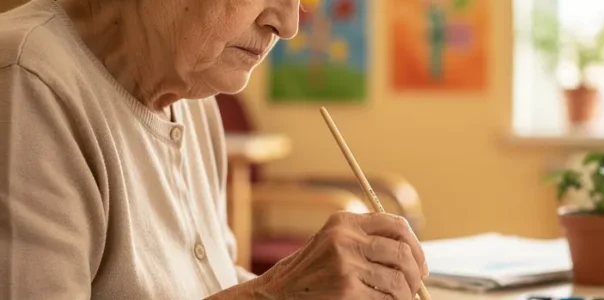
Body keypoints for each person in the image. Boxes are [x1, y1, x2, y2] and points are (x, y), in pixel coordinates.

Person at [0, 0, 428, 299]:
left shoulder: (196, 95)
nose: (289, 24)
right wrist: (277, 295)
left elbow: (208, 284)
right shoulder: (26, 83)